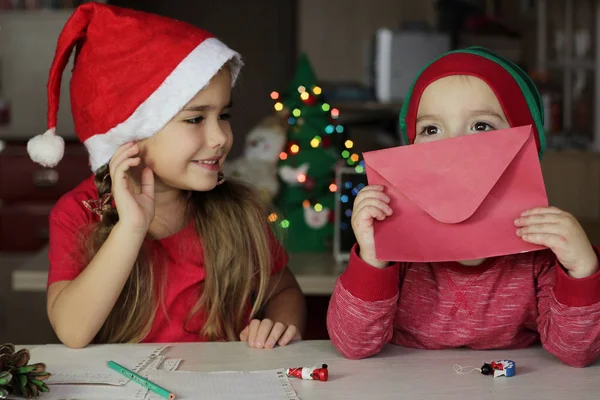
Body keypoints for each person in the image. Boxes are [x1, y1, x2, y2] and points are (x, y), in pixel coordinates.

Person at [27, 3, 306, 349]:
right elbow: (72, 330)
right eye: (195, 119)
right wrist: (131, 228)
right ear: (131, 135)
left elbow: (285, 290)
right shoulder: (78, 213)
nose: (221, 137)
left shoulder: (240, 212)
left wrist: (277, 326)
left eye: (224, 115)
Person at [327, 47, 600, 367]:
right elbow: (352, 345)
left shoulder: (539, 248)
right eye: (431, 129)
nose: (453, 145)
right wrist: (374, 259)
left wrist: (582, 269)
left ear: (526, 147)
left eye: (481, 125)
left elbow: (577, 353)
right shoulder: (398, 246)